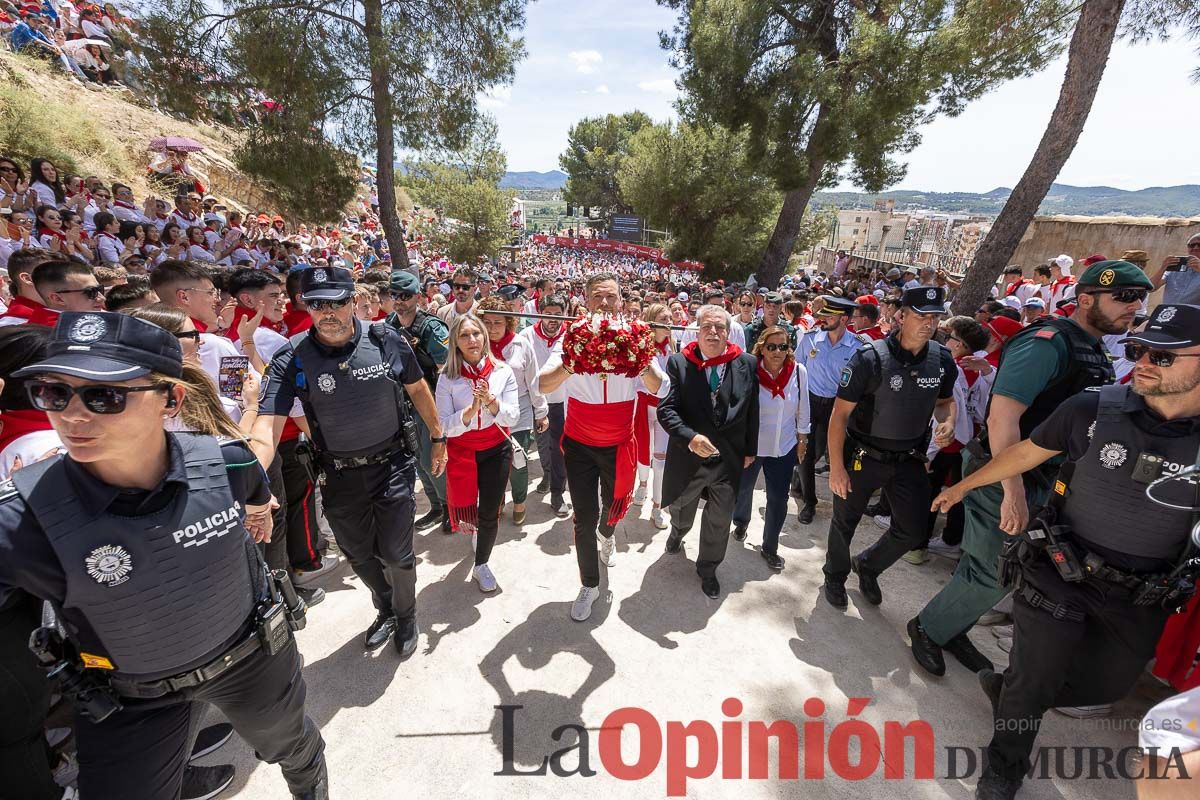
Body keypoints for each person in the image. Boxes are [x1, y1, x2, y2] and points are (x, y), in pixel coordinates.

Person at [0, 311, 329, 800]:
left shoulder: (227, 459)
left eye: (103, 396)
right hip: (131, 702)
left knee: (295, 748)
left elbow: (255, 487)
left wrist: (258, 514)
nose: (72, 415)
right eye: (53, 393)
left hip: (252, 662)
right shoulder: (20, 520)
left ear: (171, 398)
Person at [929, 303, 1200, 800]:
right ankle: (1003, 767)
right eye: (1139, 350)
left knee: (1106, 687)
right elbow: (1024, 451)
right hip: (1060, 568)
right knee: (1034, 682)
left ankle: (1010, 690)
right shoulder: (1093, 409)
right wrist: (966, 487)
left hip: (1143, 593)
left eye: (1163, 357)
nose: (1142, 362)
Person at [908, 260, 1149, 678]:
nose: (1134, 306)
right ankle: (928, 629)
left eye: (1139, 298)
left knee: (989, 565)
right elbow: (1003, 419)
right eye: (1123, 297)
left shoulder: (1090, 346)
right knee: (995, 570)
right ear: (1087, 299)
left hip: (1044, 476)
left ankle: (952, 624)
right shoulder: (1046, 342)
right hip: (1006, 471)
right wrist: (1014, 491)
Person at [251, 266, 447, 656]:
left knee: (397, 554)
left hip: (392, 465)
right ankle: (386, 608)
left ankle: (407, 617)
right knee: (358, 554)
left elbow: (417, 387)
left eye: (337, 302)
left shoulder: (385, 338)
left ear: (353, 302)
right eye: (316, 303)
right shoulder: (292, 356)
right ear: (305, 306)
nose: (328, 312)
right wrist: (253, 481)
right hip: (338, 473)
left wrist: (438, 437)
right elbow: (266, 425)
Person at [537, 271, 668, 622]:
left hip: (619, 443)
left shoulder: (636, 336)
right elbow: (544, 385)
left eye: (611, 297)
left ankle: (607, 535)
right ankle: (589, 585)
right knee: (584, 517)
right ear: (585, 300)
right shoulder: (571, 336)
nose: (605, 303)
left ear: (622, 302)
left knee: (612, 508)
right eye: (598, 297)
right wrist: (573, 359)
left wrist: (639, 359)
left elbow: (661, 387)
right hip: (579, 444)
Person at [821, 287, 958, 609]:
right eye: (921, 315)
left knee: (912, 530)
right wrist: (837, 468)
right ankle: (835, 575)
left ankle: (868, 565)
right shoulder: (869, 359)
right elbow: (839, 416)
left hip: (909, 458)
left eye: (935, 317)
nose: (929, 323)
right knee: (845, 522)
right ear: (901, 316)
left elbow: (945, 403)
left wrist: (948, 422)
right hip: (863, 456)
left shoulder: (942, 360)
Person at [658, 305, 760, 599]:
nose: (713, 332)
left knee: (719, 518)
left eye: (720, 327)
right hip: (690, 457)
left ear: (729, 332)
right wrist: (690, 438)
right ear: (697, 330)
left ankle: (708, 569)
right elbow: (667, 409)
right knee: (682, 509)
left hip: (728, 459)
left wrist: (750, 449)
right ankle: (677, 532)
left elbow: (753, 408)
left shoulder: (747, 363)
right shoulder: (678, 363)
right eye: (707, 327)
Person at [435, 314, 518, 592]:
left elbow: (513, 416)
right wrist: (468, 413)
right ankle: (476, 535)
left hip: (496, 448)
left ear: (485, 337)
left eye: (476, 334)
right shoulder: (447, 378)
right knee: (468, 512)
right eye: (464, 335)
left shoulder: (503, 372)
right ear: (456, 343)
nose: (472, 340)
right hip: (462, 452)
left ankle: (481, 564)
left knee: (489, 511)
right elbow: (444, 425)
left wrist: (492, 402)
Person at [730, 325, 810, 571]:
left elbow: (803, 407)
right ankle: (741, 521)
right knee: (743, 490)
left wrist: (802, 439)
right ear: (761, 348)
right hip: (753, 446)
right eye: (772, 346)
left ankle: (770, 546)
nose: (777, 352)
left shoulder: (798, 372)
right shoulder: (750, 371)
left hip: (783, 446)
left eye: (783, 346)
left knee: (778, 498)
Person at [387, 270, 451, 532]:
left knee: (431, 458)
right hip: (402, 401)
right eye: (394, 295)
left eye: (405, 295)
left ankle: (451, 506)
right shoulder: (390, 323)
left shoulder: (431, 328)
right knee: (416, 460)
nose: (399, 300)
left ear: (417, 297)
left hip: (430, 399)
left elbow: (446, 370)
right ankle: (436, 506)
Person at [478, 295, 547, 524]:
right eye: (487, 322)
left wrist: (541, 411)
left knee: (518, 460)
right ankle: (496, 501)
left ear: (508, 322)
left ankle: (519, 501)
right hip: (487, 413)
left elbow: (533, 381)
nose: (492, 328)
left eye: (498, 322)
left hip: (519, 410)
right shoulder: (475, 345)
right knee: (492, 464)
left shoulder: (521, 344)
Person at [794, 295, 862, 524]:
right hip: (810, 403)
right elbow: (796, 368)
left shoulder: (857, 348)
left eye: (828, 316)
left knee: (822, 451)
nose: (822, 319)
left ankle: (799, 478)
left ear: (843, 319)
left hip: (836, 406)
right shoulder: (811, 340)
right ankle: (810, 502)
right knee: (807, 451)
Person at [520, 293, 570, 517]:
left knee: (558, 449)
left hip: (561, 403)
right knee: (541, 446)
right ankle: (548, 475)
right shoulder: (526, 336)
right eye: (547, 315)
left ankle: (557, 494)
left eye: (557, 315)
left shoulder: (571, 337)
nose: (552, 320)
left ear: (564, 314)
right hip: (535, 403)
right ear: (539, 314)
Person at [633, 303, 674, 529]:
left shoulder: (672, 348)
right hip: (643, 406)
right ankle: (642, 484)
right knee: (642, 451)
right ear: (651, 320)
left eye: (670, 318)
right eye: (663, 318)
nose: (669, 322)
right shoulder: (642, 347)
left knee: (660, 461)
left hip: (665, 408)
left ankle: (657, 507)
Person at [31, 260, 106, 313]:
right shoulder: (55, 333)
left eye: (100, 289)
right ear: (58, 299)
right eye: (91, 292)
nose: (102, 298)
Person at [1148, 233, 1200, 305]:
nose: (1195, 248)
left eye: (1199, 245)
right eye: (1192, 245)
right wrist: (1163, 268)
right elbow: (1151, 288)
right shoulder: (1176, 266)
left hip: (1193, 314)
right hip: (1169, 313)